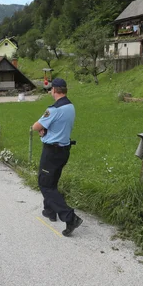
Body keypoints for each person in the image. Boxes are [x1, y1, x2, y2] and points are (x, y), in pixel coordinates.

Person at [32, 78, 82, 237]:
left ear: (54, 90)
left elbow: (36, 126)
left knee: (45, 184)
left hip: (51, 152)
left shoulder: (53, 109)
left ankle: (70, 217)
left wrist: (43, 129)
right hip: (63, 150)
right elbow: (58, 126)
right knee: (52, 181)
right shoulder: (70, 106)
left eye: (50, 89)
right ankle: (49, 211)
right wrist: (47, 130)